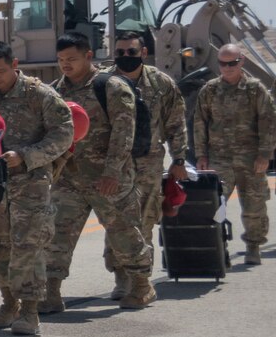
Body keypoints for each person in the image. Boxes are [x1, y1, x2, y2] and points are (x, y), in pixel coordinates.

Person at [0, 41, 74, 336]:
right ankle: (8, 302)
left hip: (30, 184)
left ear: (15, 64)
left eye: (0, 70)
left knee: (28, 246)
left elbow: (64, 133)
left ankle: (30, 310)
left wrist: (26, 156)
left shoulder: (40, 95)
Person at [47, 32, 155, 310]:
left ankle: (141, 285)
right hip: (68, 178)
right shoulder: (55, 91)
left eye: (72, 59)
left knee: (124, 233)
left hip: (108, 179)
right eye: (61, 60)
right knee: (57, 234)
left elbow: (123, 133)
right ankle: (51, 291)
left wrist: (112, 173)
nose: (65, 65)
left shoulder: (111, 86)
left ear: (88, 56)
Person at [107, 30, 191, 297]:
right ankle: (121, 277)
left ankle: (140, 278)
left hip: (148, 163)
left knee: (144, 220)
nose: (125, 57)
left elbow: (176, 122)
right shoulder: (103, 82)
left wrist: (178, 159)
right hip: (113, 165)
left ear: (143, 53)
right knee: (116, 221)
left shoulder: (161, 83)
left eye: (131, 52)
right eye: (120, 52)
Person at [195, 43, 276, 267]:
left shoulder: (255, 89)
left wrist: (265, 154)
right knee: (214, 206)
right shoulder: (209, 90)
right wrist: (201, 155)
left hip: (251, 159)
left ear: (241, 61)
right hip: (219, 159)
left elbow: (268, 122)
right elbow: (200, 123)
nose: (228, 68)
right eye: (223, 63)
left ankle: (253, 246)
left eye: (232, 63)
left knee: (254, 205)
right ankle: (218, 248)